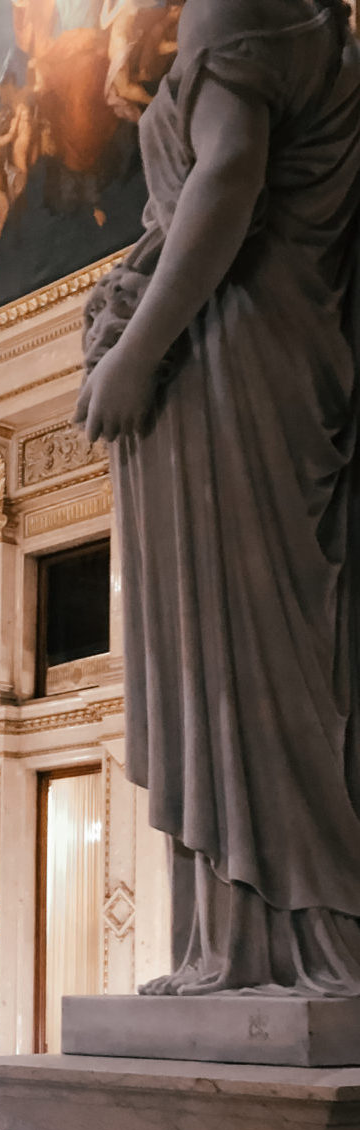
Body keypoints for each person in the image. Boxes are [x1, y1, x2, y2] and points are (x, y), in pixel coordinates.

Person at [76, 0, 360, 993]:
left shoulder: (238, 4)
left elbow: (229, 175)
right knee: (244, 644)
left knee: (236, 640)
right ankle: (236, 941)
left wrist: (135, 356)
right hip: (251, 349)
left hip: (229, 357)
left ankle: (275, 942)